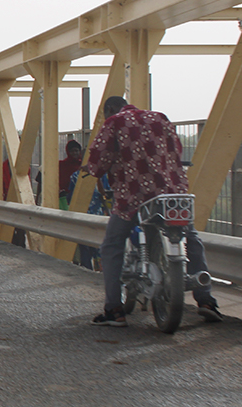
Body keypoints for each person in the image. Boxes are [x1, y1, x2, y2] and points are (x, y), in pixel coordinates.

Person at [83, 96, 222, 326]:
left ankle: (114, 310)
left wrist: (94, 168)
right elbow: (176, 149)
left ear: (109, 110)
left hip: (134, 196)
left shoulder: (114, 122)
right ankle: (206, 300)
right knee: (190, 237)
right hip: (171, 195)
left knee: (112, 245)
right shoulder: (160, 117)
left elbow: (98, 162)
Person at [58, 140, 83, 207]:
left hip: (81, 196)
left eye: (76, 151)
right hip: (65, 198)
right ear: (68, 152)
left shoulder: (83, 165)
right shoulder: (62, 165)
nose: (74, 153)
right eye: (72, 151)